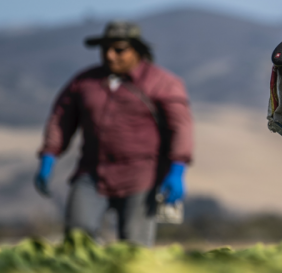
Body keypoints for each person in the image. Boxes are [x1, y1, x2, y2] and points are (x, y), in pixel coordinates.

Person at [34, 21, 193, 246]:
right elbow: (60, 119)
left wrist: (178, 168)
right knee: (78, 240)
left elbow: (181, 127)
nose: (110, 55)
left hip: (141, 177)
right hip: (91, 173)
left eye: (119, 49)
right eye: (105, 49)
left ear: (137, 50)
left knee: (135, 247)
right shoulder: (84, 82)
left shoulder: (163, 83)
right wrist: (49, 155)